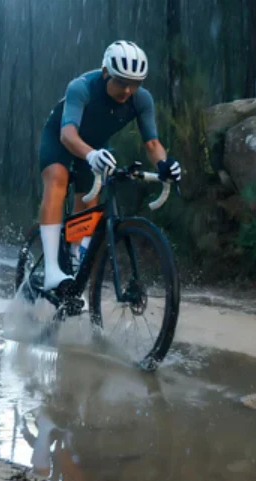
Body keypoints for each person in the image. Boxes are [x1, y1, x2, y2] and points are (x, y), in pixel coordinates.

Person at [37, 40, 182, 294]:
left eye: (135, 83)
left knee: (90, 201)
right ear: (106, 73)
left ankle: (73, 270)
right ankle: (50, 269)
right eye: (122, 82)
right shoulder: (81, 87)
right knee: (57, 179)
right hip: (61, 138)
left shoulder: (142, 100)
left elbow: (152, 143)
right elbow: (68, 134)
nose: (128, 90)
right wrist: (91, 155)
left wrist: (165, 164)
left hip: (95, 146)